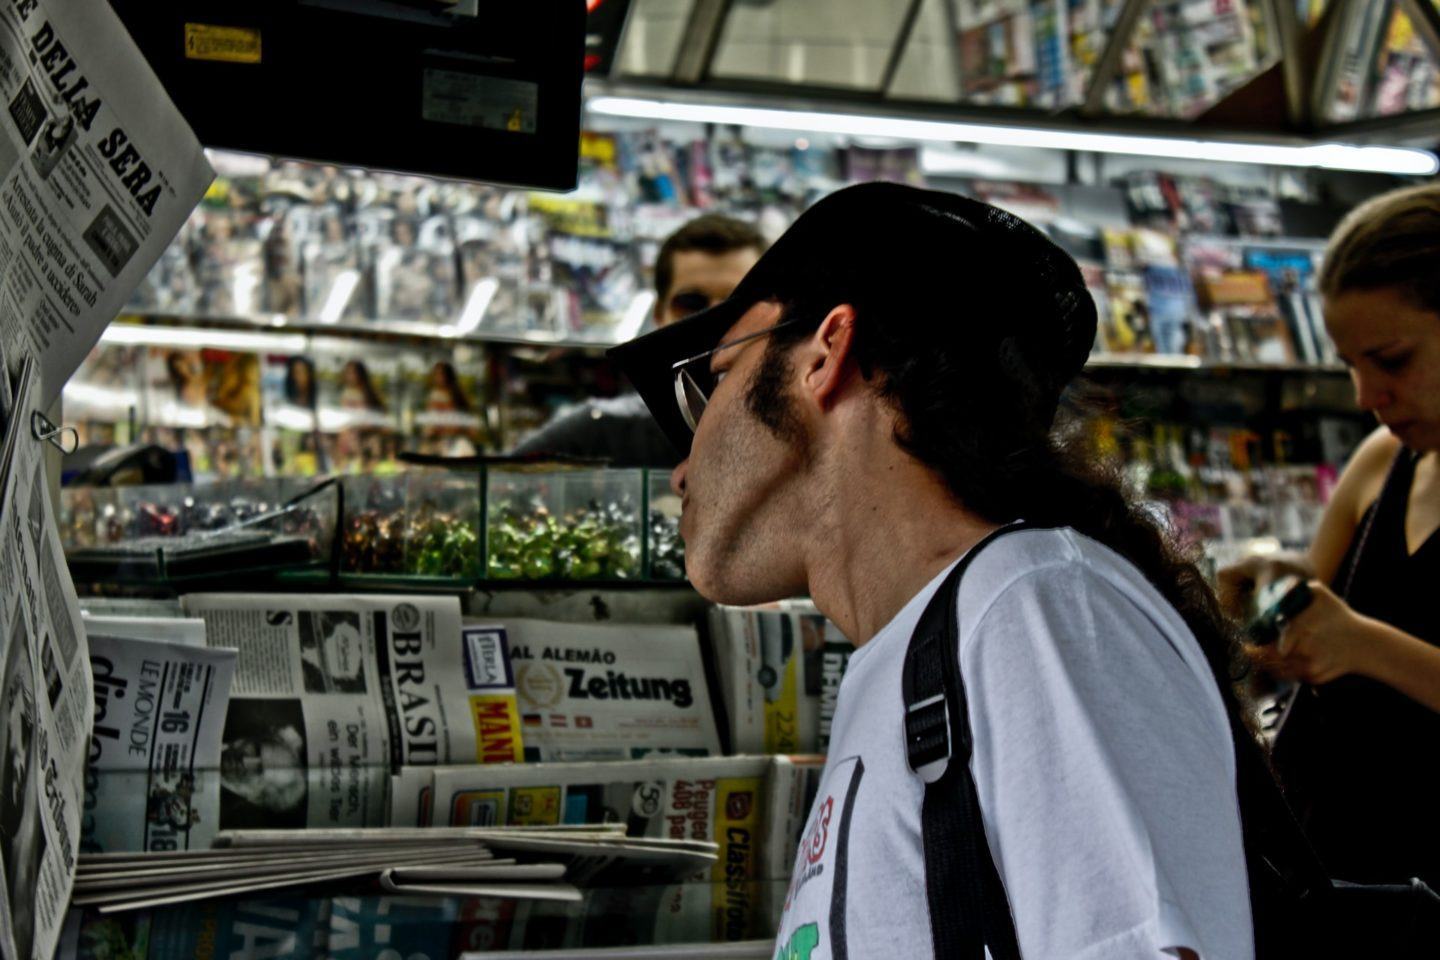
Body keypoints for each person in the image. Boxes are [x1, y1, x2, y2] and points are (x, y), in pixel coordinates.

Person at [609, 182, 1253, 959]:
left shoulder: (1036, 605)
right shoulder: (931, 638)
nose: (681, 469)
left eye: (707, 381)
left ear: (824, 353)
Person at [1219, 182, 1440, 887]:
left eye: (1393, 360)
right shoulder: (1384, 461)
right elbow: (1306, 630)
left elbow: (1352, 638)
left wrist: (1367, 646)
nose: (1366, 396)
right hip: (1333, 877)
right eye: (1351, 365)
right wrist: (1261, 602)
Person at [510, 214, 766, 467]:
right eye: (691, 303)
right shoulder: (601, 432)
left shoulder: (799, 435)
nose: (713, 321)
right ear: (659, 314)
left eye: (736, 303)